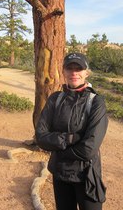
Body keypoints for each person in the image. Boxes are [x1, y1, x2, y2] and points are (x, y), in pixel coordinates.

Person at [35, 52, 108, 210]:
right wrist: (69, 139)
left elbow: (89, 149)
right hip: (60, 174)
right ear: (64, 72)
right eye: (70, 68)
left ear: (86, 72)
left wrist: (57, 147)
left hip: (86, 175)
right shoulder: (55, 99)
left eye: (78, 68)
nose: (74, 73)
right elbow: (40, 136)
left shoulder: (96, 103)